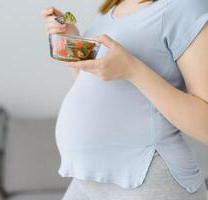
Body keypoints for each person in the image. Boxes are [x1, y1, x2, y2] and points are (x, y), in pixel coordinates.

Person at [41, 0, 208, 199]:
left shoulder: (185, 7)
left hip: (147, 181)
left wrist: (133, 70)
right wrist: (73, 44)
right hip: (86, 181)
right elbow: (100, 89)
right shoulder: (109, 15)